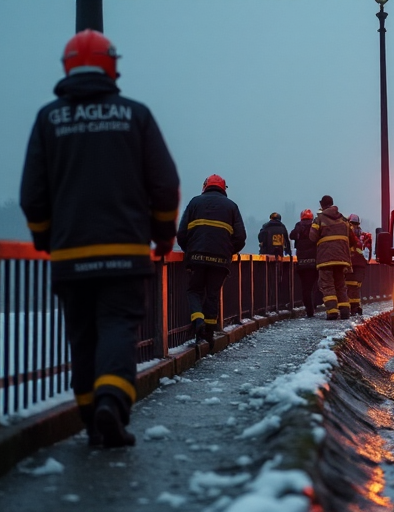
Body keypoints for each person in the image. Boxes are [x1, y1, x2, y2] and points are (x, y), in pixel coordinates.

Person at [20, 29, 180, 448]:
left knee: (83, 336)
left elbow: (32, 195)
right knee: (117, 329)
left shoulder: (48, 119)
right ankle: (112, 402)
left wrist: (45, 238)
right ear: (112, 66)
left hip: (70, 256)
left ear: (67, 67)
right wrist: (163, 236)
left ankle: (92, 420)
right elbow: (165, 185)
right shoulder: (135, 115)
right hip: (125, 253)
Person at [177, 174, 246, 351]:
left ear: (205, 186)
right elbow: (240, 237)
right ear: (224, 188)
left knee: (194, 290)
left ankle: (198, 321)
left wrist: (190, 251)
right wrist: (228, 253)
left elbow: (182, 233)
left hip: (197, 257)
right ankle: (209, 333)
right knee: (213, 294)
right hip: (220, 259)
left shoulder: (194, 202)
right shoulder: (231, 206)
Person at [309, 195, 352, 320]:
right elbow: (351, 236)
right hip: (342, 257)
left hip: (326, 258)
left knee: (327, 285)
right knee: (340, 284)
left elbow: (312, 237)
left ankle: (332, 311)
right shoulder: (343, 219)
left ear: (322, 205)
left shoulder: (319, 219)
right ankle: (345, 311)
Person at [289, 209, 319, 317]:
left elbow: (292, 236)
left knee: (305, 288)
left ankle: (309, 309)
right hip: (314, 261)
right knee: (314, 286)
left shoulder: (299, 226)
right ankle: (314, 305)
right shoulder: (314, 225)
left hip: (302, 263)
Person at [346, 214, 368, 315]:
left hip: (351, 263)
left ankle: (353, 307)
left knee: (352, 286)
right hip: (359, 265)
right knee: (355, 286)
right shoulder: (363, 236)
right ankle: (356, 306)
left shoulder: (348, 235)